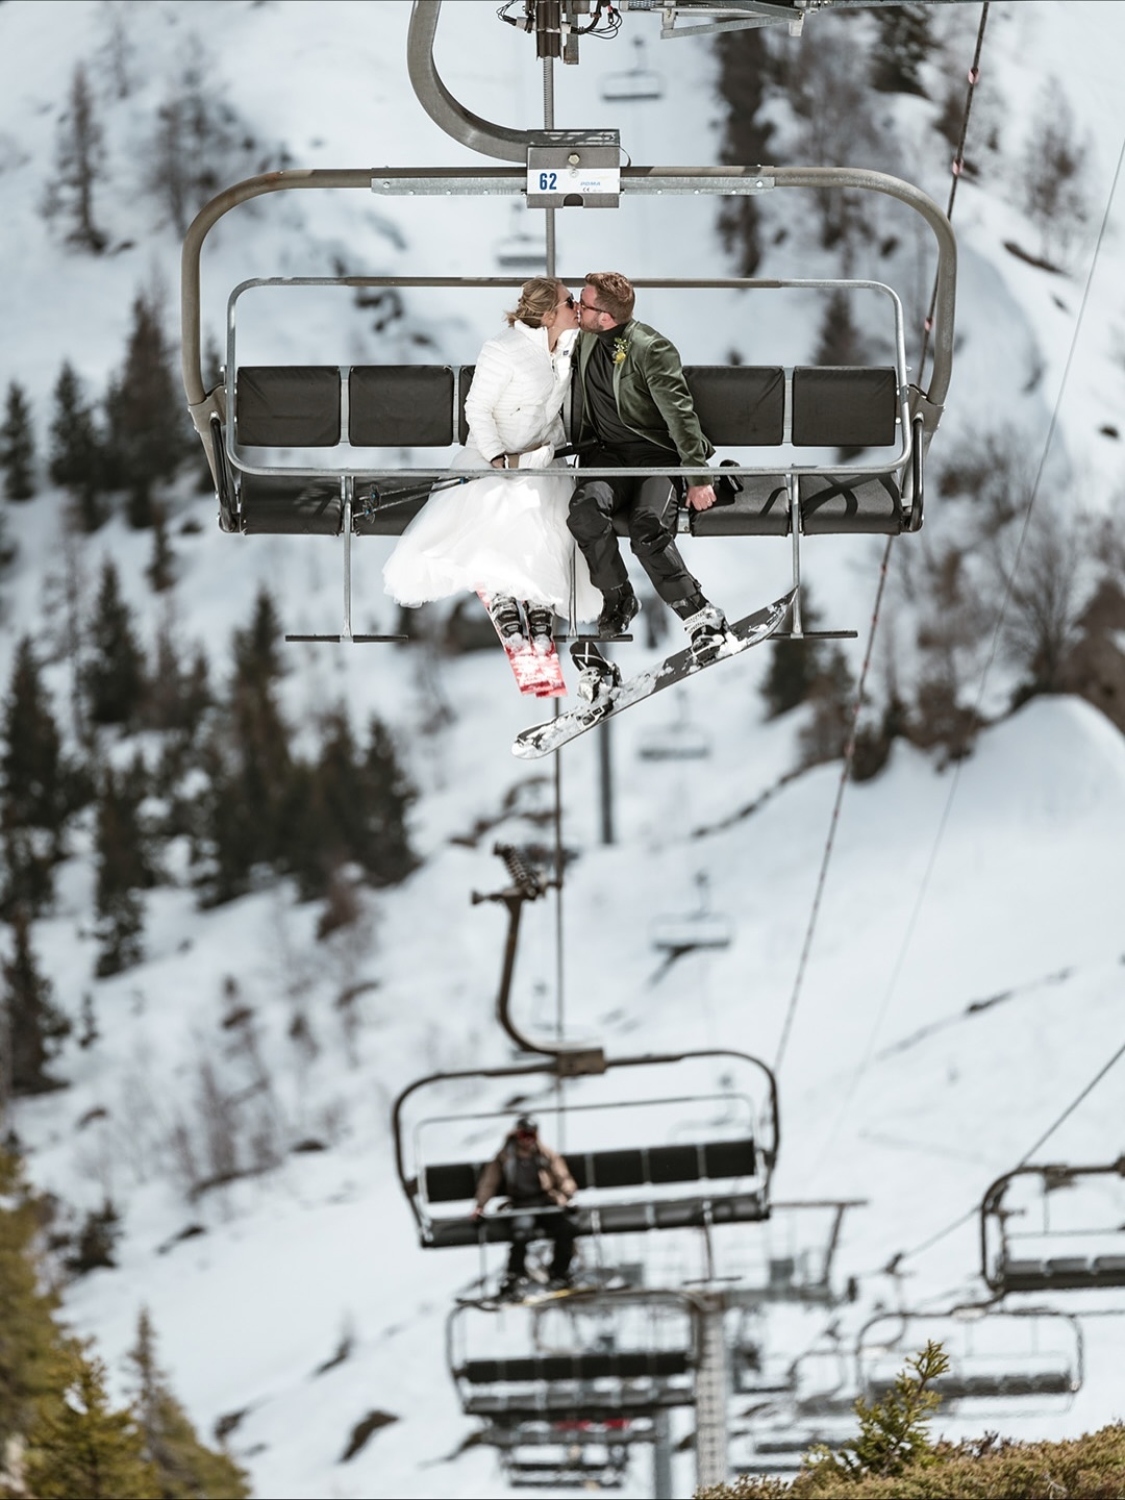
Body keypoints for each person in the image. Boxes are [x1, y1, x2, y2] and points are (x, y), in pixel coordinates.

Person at [383, 279, 601, 648]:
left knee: (551, 521)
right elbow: (477, 408)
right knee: (503, 511)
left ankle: (537, 604)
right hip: (497, 457)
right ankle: (503, 599)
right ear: (548, 314)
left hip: (542, 458)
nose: (575, 305)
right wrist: (498, 456)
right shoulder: (503, 349)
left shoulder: (565, 345)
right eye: (569, 302)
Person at [568, 271, 729, 661]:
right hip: (608, 455)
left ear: (604, 318)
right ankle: (618, 594)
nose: (576, 306)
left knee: (647, 525)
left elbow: (681, 416)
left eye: (582, 302)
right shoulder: (585, 337)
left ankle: (699, 614)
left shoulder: (651, 350)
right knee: (584, 511)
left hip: (656, 455)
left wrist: (697, 476)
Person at [472, 1115, 578, 1297]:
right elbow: (489, 1181)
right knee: (521, 1233)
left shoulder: (544, 1154)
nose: (528, 1140)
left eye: (531, 1135)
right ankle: (515, 1275)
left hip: (545, 1202)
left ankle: (559, 1273)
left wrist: (567, 1196)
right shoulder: (505, 1156)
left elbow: (562, 1176)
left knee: (565, 1229)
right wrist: (481, 1205)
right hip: (521, 1204)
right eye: (524, 1135)